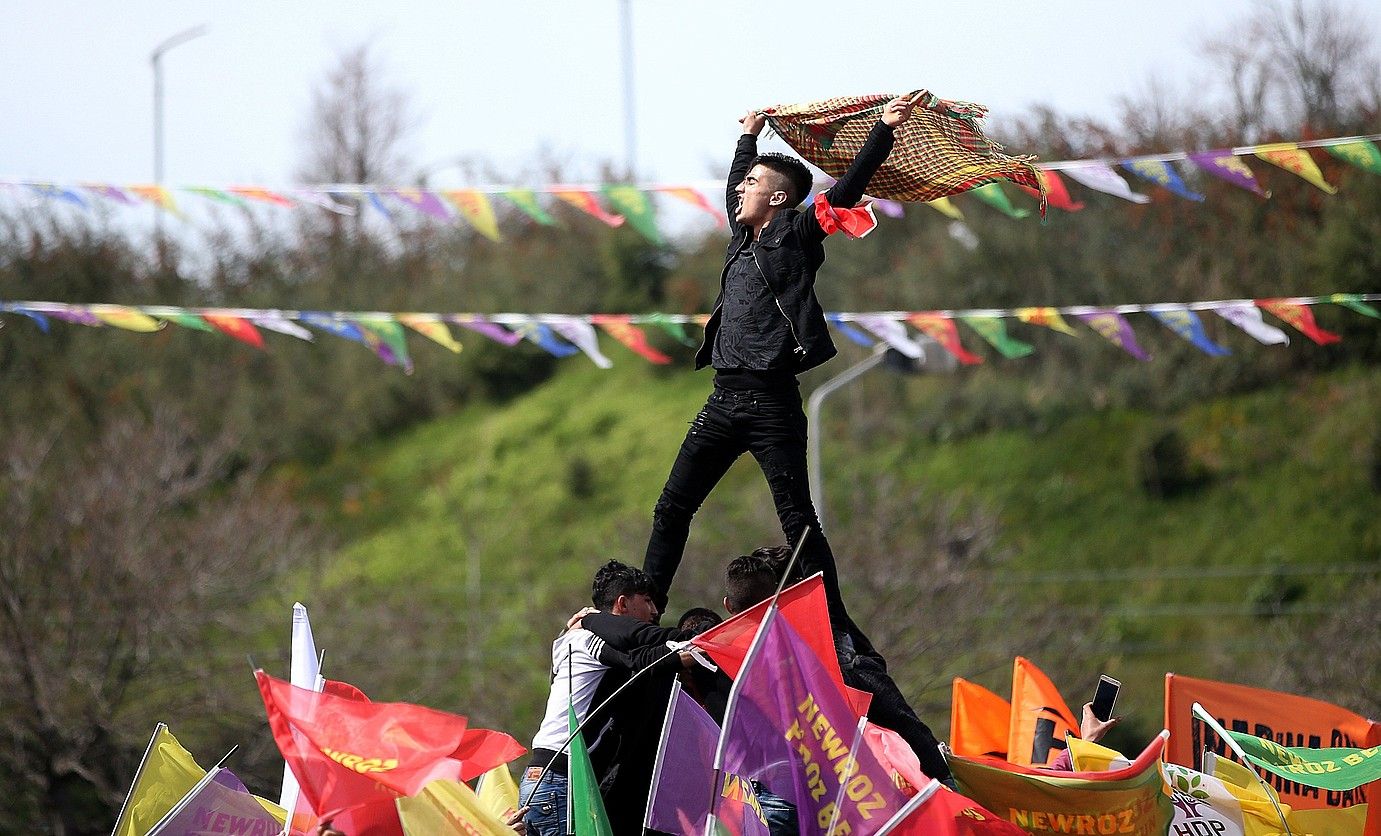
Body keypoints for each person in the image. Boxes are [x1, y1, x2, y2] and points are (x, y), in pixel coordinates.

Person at [642, 94, 923, 666]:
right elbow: (732, 192)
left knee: (798, 522)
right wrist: (748, 136)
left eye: (751, 181)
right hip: (722, 400)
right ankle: (646, 608)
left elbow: (842, 194)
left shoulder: (795, 234)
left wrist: (882, 130)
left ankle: (839, 626)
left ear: (777, 197)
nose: (740, 188)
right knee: (672, 508)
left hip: (772, 405)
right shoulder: (740, 236)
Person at [519, 560, 659, 836]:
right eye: (647, 601)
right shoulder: (590, 638)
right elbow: (636, 658)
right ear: (622, 604)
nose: (654, 611)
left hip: (538, 779)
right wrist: (683, 649)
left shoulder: (566, 640)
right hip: (561, 780)